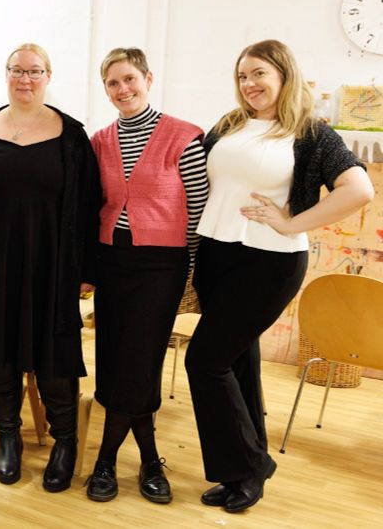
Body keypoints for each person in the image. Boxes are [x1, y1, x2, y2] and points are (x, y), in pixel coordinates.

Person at [186, 39, 373, 513]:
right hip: (217, 254)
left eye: (259, 74)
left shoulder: (309, 132)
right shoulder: (229, 125)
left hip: (269, 260)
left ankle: (250, 466)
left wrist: (291, 223)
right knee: (237, 360)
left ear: (284, 76)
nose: (249, 84)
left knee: (205, 361)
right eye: (242, 75)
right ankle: (240, 470)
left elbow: (359, 189)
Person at [0, 43, 100, 490]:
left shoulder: (71, 137)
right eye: (17, 70)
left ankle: (65, 441)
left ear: (48, 76)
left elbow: (90, 207)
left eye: (34, 71)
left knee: (55, 356)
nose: (24, 79)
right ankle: (8, 436)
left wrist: (88, 269)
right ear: (6, 74)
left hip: (52, 264)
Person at [86, 47, 209, 503]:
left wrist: (191, 269)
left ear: (148, 79)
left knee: (139, 358)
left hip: (161, 265)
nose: (123, 89)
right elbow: (92, 207)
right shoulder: (100, 141)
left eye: (130, 79)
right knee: (115, 358)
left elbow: (198, 208)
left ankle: (105, 461)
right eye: (113, 83)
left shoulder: (183, 137)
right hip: (111, 262)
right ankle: (150, 460)